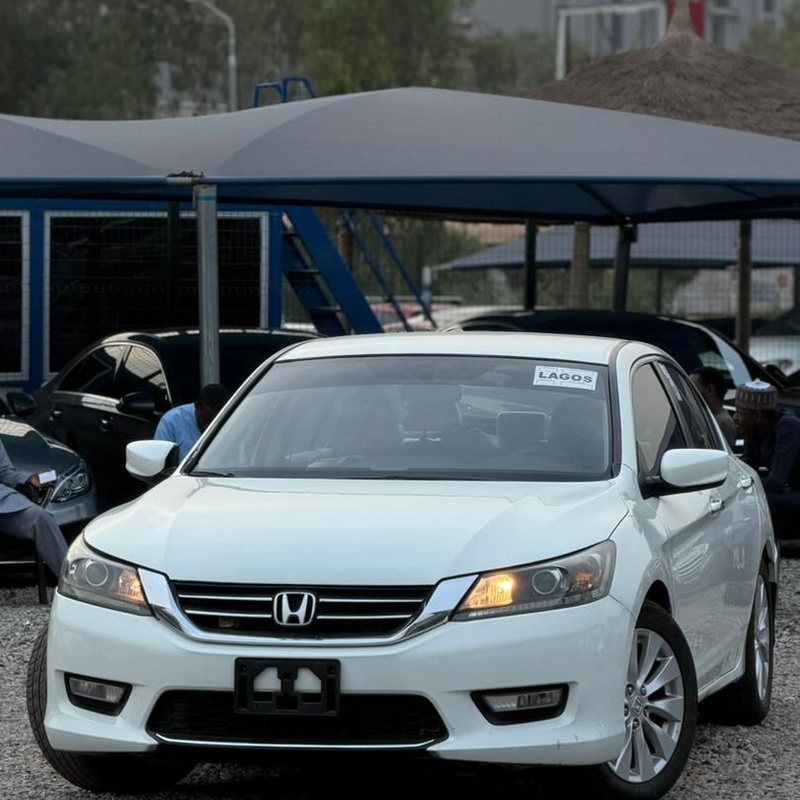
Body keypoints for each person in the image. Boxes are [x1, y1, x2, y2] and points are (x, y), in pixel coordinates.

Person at [734, 379, 800, 541]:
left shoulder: (789, 427)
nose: (735, 417)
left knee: (762, 501)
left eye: (740, 412)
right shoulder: (754, 429)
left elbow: (776, 482)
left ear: (757, 415)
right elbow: (746, 467)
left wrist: (737, 488)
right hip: (791, 491)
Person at [0, 440, 68, 580]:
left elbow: (4, 472)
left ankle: (74, 586)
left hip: (3, 503)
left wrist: (28, 479)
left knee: (41, 518)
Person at [154, 383, 232, 461]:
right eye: (207, 420)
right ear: (197, 407)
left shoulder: (234, 422)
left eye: (217, 422)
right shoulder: (171, 421)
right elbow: (159, 462)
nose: (209, 426)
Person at [690, 366, 737, 448]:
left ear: (709, 390)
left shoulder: (724, 423)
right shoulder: (708, 419)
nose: (690, 394)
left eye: (693, 389)